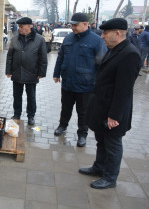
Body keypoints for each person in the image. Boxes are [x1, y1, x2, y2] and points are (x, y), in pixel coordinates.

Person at [80, 18, 141, 189]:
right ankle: (99, 167)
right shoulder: (114, 49)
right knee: (101, 140)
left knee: (113, 144)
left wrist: (114, 116)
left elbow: (124, 90)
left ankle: (110, 177)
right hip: (101, 106)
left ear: (118, 33)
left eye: (106, 33)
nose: (102, 37)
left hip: (113, 111)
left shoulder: (130, 54)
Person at [53, 13, 107, 147]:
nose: (72, 27)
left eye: (75, 25)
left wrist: (100, 84)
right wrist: (56, 73)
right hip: (68, 82)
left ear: (85, 24)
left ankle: (82, 134)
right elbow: (61, 56)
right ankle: (62, 126)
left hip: (86, 85)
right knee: (65, 107)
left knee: (83, 112)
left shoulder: (96, 40)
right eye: (71, 24)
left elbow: (103, 64)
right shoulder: (68, 38)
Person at [5, 17, 48, 125]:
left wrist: (41, 73)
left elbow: (43, 57)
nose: (19, 28)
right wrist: (8, 70)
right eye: (18, 26)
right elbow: (10, 55)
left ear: (29, 26)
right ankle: (17, 114)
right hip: (17, 72)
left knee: (31, 96)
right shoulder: (15, 39)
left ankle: (31, 116)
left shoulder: (39, 39)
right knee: (17, 95)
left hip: (32, 72)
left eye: (21, 26)